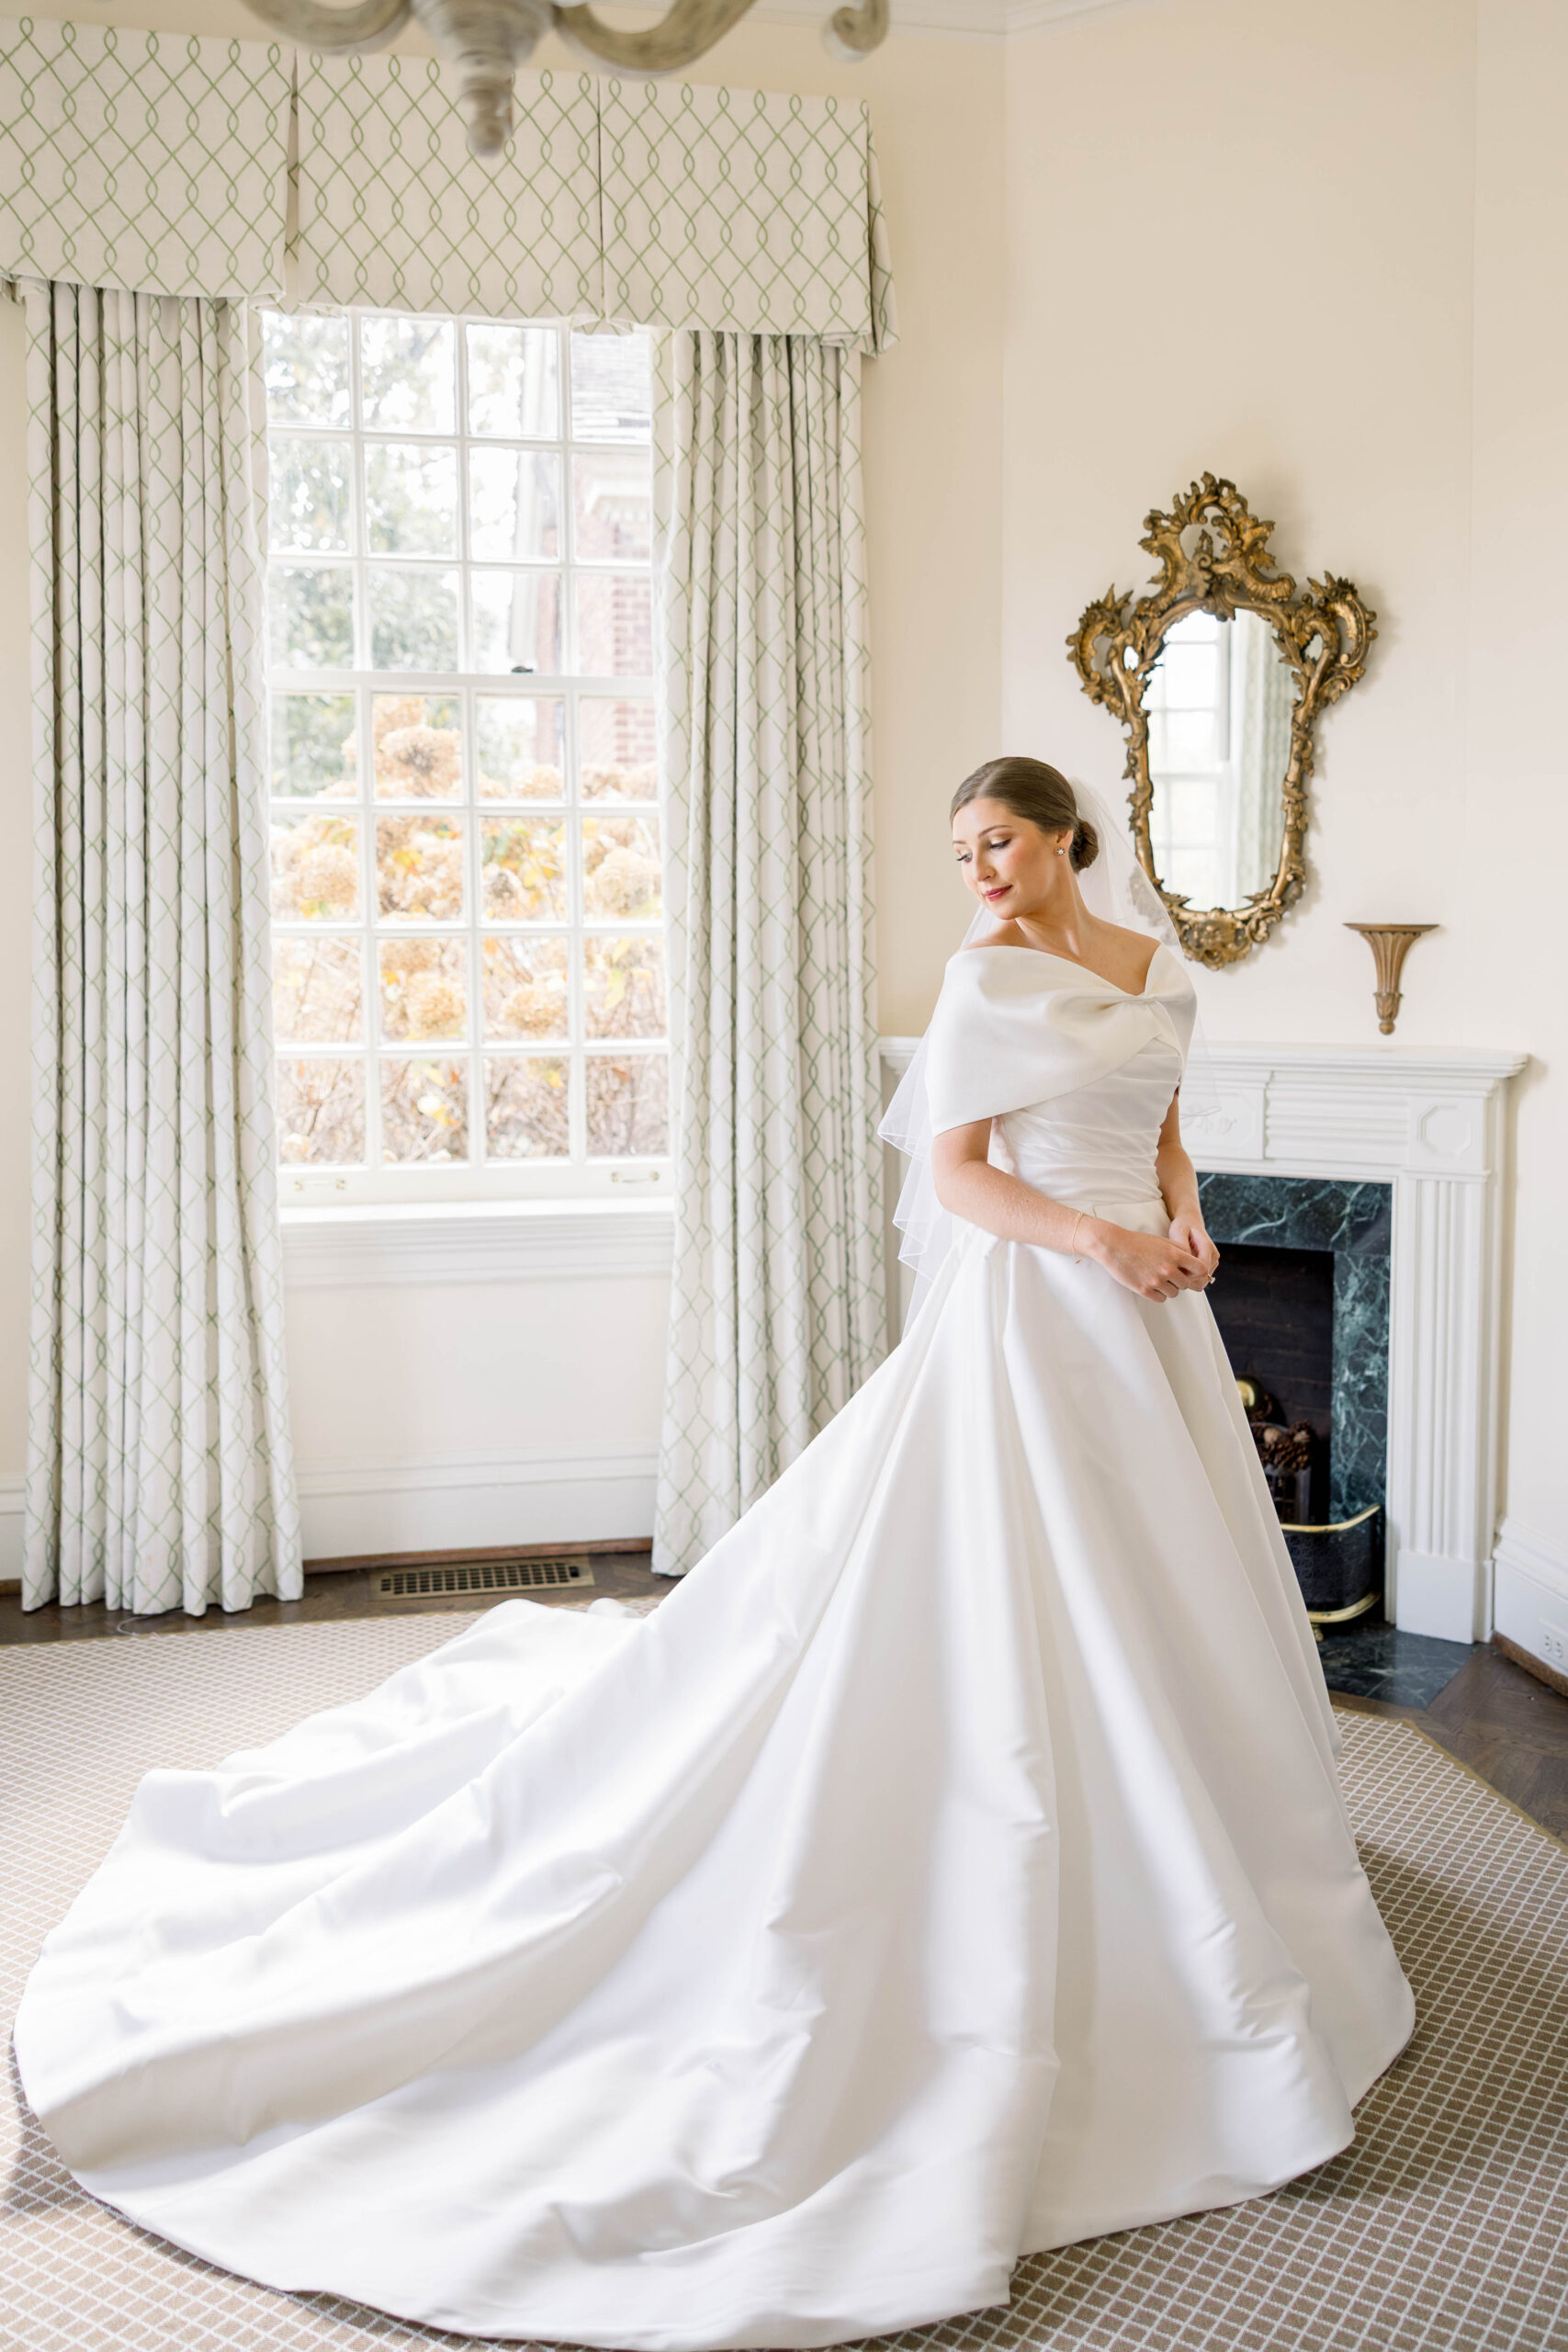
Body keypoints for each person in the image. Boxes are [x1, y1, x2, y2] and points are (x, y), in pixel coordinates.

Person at [14, 757, 1414, 2352]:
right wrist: (1100, 1239)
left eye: (1002, 842)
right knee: (1013, 1596)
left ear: (1066, 840)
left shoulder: (1153, 968)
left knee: (1161, 1592)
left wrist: (1187, 1219)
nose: (979, 869)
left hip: (1148, 1314)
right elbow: (959, 1175)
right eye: (961, 848)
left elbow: (1160, 1126)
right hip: (1038, 1310)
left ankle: (1180, 1859)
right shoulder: (982, 980)